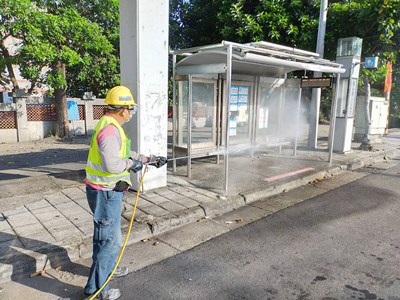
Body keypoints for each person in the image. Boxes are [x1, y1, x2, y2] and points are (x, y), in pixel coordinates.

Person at [84, 86, 167, 300]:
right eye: (131, 109)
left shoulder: (111, 126)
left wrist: (148, 159)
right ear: (123, 109)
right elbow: (113, 164)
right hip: (105, 193)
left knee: (108, 238)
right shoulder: (110, 130)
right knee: (109, 241)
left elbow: (124, 152)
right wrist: (132, 165)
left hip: (107, 192)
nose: (131, 113)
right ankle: (97, 290)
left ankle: (109, 268)